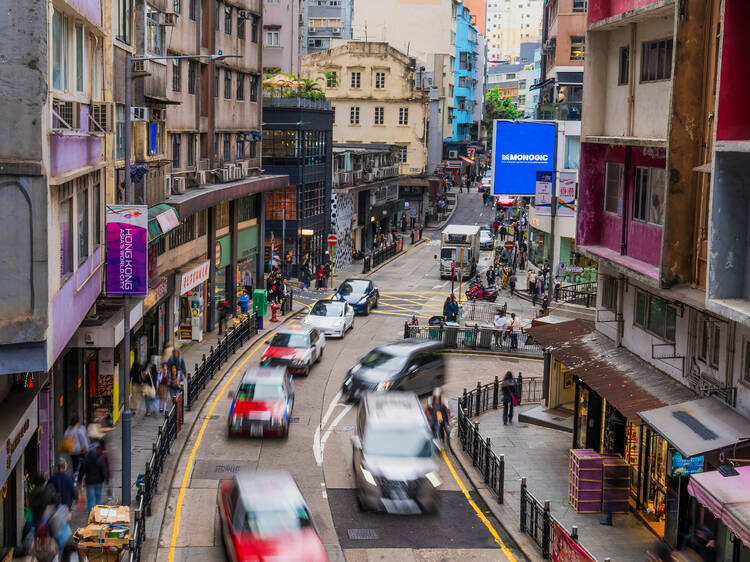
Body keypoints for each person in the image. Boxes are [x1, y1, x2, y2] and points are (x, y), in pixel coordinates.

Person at [78, 432, 110, 513]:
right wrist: (107, 480)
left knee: (90, 500)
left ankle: (91, 516)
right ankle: (98, 515)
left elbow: (82, 471)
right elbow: (104, 470)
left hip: (89, 482)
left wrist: (79, 480)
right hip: (99, 481)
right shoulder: (100, 458)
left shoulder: (86, 459)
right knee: (98, 498)